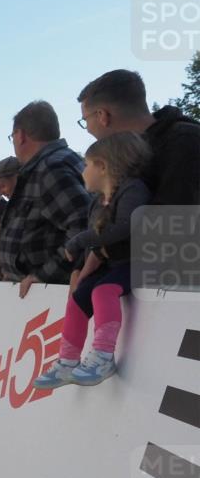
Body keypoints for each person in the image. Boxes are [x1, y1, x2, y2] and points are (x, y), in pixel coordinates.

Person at [34, 132, 152, 388]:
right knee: (78, 298)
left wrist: (80, 240)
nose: (83, 171)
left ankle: (102, 356)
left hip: (138, 261)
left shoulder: (133, 189)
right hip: (113, 264)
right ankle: (67, 361)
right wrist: (83, 270)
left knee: (103, 291)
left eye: (87, 165)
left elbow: (124, 227)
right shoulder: (96, 203)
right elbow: (98, 246)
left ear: (103, 166)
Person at [0, 101, 91, 298]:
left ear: (20, 136)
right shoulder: (58, 162)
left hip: (50, 295)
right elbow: (29, 217)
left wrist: (45, 274)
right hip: (43, 292)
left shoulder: (49, 169)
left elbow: (83, 226)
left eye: (12, 137)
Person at [77, 69, 200, 208]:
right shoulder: (177, 140)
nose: (87, 129)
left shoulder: (184, 142)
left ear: (102, 115)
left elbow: (173, 222)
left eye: (85, 120)